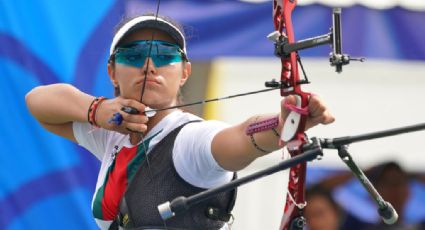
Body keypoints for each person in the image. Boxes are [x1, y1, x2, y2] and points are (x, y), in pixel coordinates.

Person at [25, 13, 335, 230]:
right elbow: (37, 102)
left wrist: (282, 124)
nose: (149, 64)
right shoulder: (113, 135)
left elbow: (239, 137)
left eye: (164, 55)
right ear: (112, 72)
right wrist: (97, 109)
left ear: (184, 71)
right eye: (133, 55)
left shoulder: (190, 141)